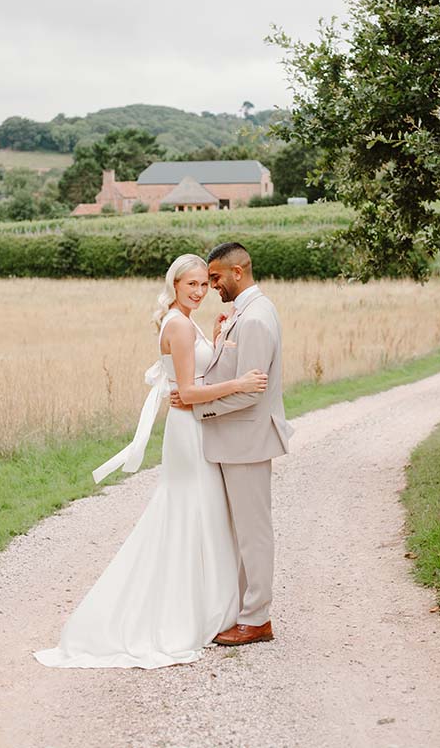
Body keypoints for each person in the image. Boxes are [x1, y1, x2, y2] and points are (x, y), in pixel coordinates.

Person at [33, 253, 268, 670]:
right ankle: (187, 611)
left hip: (195, 426)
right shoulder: (177, 324)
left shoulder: (187, 320)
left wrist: (212, 338)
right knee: (189, 512)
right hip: (188, 429)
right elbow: (189, 393)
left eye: (203, 284)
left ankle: (210, 604)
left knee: (204, 514)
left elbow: (193, 379)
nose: (199, 291)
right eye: (190, 284)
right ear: (174, 286)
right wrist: (241, 382)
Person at [171, 242, 294, 646]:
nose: (212, 287)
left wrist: (197, 408)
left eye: (216, 278)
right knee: (239, 531)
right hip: (235, 441)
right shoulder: (244, 314)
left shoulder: (256, 319)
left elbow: (249, 392)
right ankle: (242, 610)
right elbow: (231, 373)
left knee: (253, 532)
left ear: (237, 273)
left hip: (248, 441)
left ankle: (257, 618)